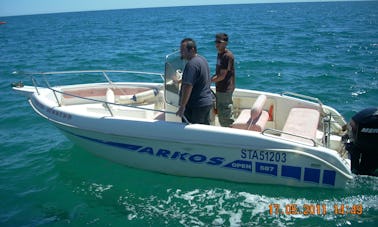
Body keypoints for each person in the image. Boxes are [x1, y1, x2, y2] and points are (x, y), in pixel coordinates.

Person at [176, 38, 213, 125]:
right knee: (204, 131)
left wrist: (182, 106)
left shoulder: (191, 65)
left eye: (183, 50)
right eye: (180, 50)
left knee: (192, 133)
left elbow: (188, 86)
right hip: (206, 103)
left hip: (196, 106)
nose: (181, 53)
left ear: (192, 50)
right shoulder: (202, 59)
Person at [211, 33, 235, 127]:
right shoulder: (220, 54)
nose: (216, 44)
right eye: (215, 42)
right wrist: (210, 78)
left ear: (225, 43)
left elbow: (222, 76)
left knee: (226, 114)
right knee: (221, 112)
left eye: (219, 42)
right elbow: (218, 73)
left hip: (225, 89)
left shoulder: (227, 56)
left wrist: (208, 81)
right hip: (221, 88)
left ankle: (231, 134)